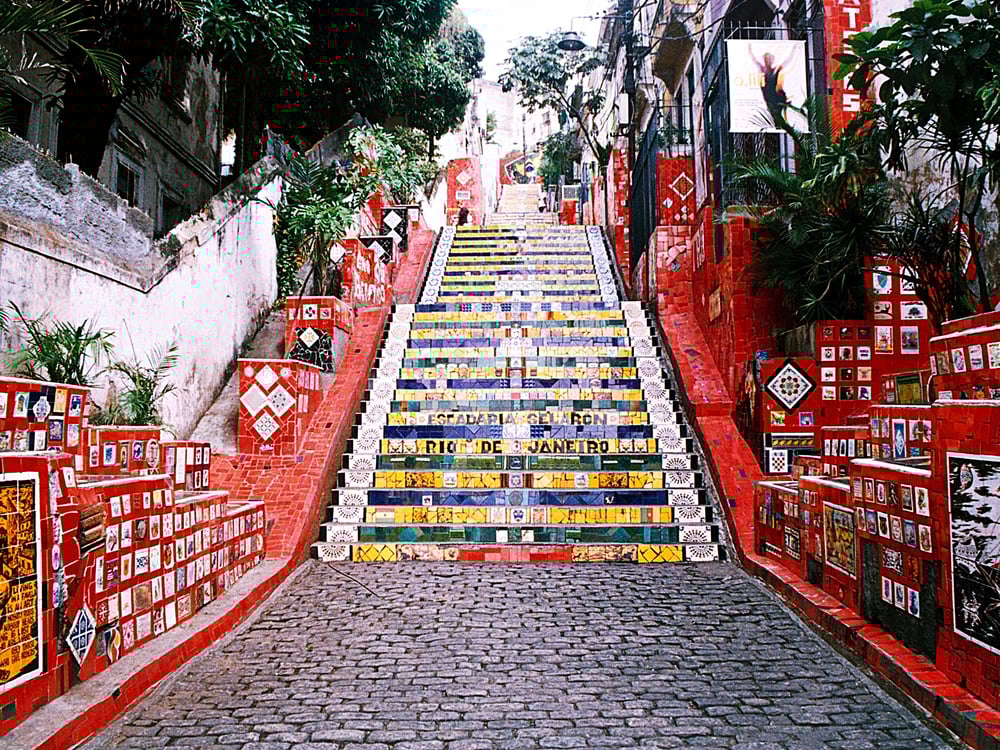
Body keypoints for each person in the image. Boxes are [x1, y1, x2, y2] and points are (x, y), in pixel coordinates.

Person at [748, 43, 796, 128]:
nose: (768, 61)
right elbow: (754, 59)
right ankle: (779, 124)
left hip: (774, 96)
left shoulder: (775, 70)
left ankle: (780, 124)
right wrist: (749, 49)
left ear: (772, 61)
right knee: (775, 113)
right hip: (769, 97)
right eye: (766, 59)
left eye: (769, 59)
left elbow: (787, 61)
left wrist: (793, 49)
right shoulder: (762, 69)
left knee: (776, 112)